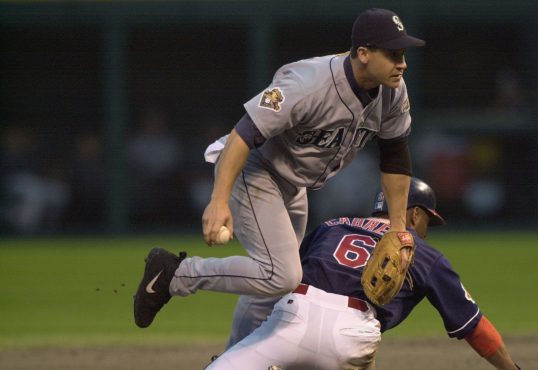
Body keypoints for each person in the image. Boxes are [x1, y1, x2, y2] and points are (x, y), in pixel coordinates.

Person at [134, 8, 424, 333]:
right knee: (282, 274)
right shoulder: (307, 83)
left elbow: (395, 155)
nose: (403, 63)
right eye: (393, 54)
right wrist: (218, 200)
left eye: (402, 54)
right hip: (256, 171)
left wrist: (398, 229)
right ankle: (175, 274)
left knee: (272, 284)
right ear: (364, 54)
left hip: (294, 184)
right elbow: (244, 133)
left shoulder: (393, 91)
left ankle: (235, 362)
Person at [208, 178, 521, 369]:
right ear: (414, 214)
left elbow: (282, 283)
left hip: (293, 314)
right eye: (428, 220)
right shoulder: (424, 254)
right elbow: (474, 327)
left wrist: (240, 349)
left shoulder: (332, 226)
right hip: (353, 334)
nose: (426, 230)